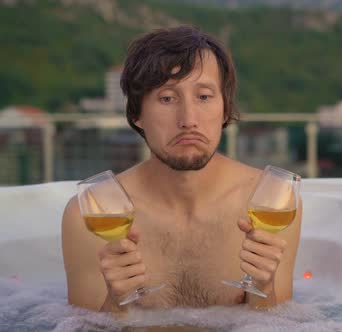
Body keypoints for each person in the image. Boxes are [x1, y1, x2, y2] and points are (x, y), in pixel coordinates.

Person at [61, 25, 302, 313]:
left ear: (225, 109)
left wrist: (263, 288)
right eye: (167, 98)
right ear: (136, 114)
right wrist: (115, 302)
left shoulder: (271, 202)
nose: (188, 120)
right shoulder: (92, 213)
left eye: (204, 97)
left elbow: (274, 325)